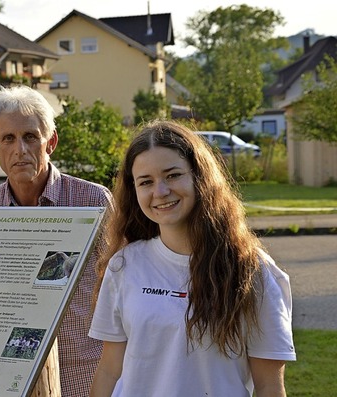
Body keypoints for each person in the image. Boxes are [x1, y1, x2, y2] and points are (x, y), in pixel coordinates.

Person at [89, 120, 296, 396]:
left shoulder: (251, 270)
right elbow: (109, 370)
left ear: (200, 177)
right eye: (146, 182)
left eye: (173, 175)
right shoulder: (124, 265)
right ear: (134, 190)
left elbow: (270, 385)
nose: (160, 191)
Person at [0, 85, 113, 396]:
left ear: (51, 142)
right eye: (8, 139)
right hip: (7, 373)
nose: (20, 149)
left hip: (84, 370)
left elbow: (122, 288)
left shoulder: (93, 200)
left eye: (30, 136)